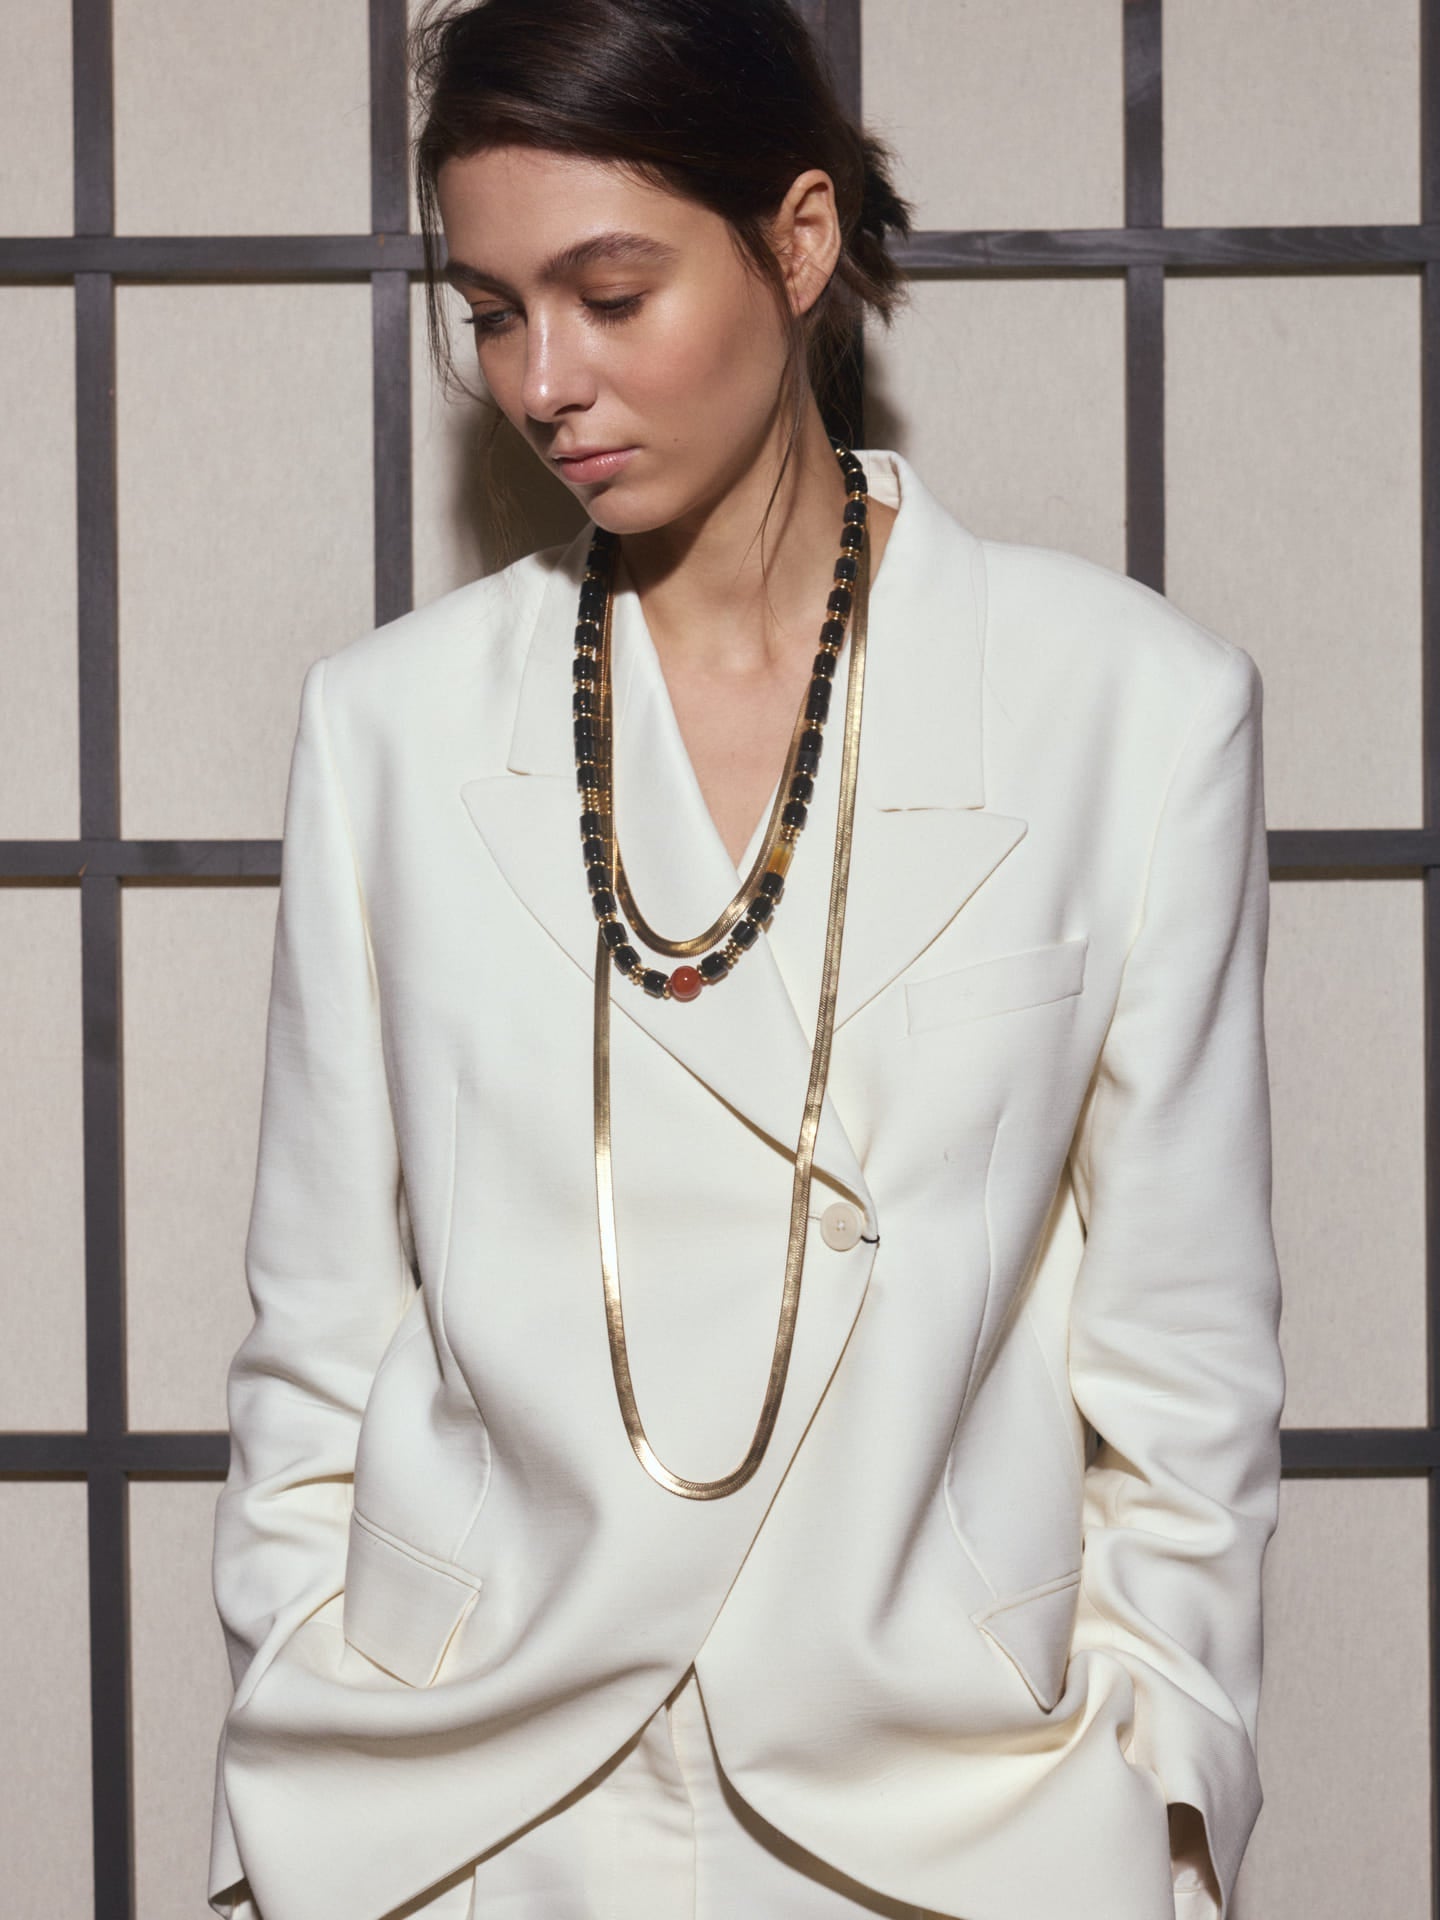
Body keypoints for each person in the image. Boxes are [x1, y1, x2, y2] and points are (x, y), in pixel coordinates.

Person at [206, 3, 1286, 1918]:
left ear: (798, 241)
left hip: (947, 1816)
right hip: (476, 1807)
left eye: (612, 295)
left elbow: (1185, 1354)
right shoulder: (391, 730)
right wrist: (306, 1726)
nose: (546, 383)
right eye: (494, 313)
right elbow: (319, 1331)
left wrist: (1165, 1797)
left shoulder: (1124, 709)